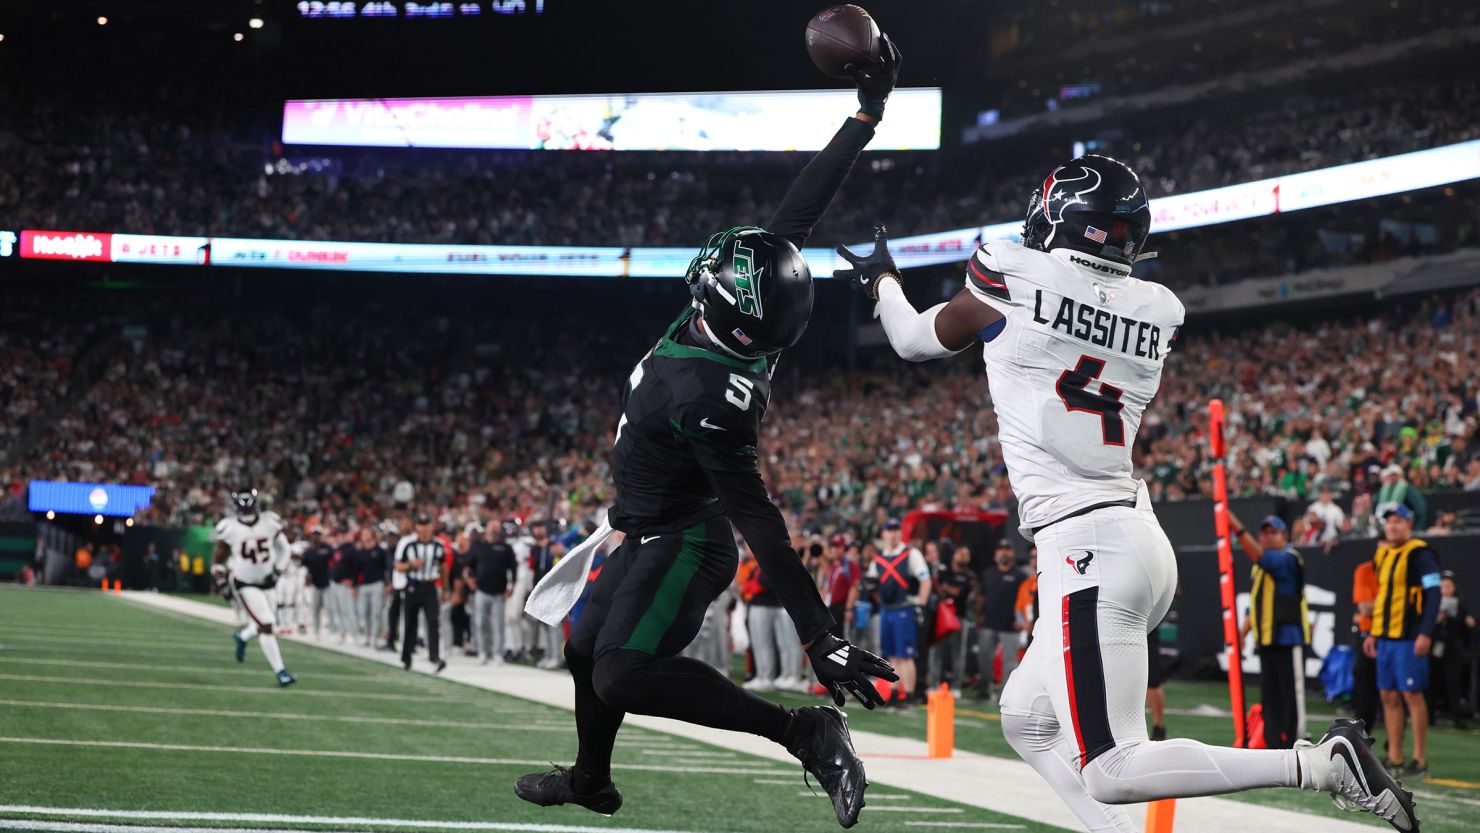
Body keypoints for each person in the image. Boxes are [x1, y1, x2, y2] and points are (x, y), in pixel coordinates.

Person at [837, 154, 1416, 830]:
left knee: (1111, 767)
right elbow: (1090, 305)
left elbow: (912, 340)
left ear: (1057, 219)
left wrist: (882, 280)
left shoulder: (1013, 273)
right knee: (1025, 716)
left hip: (1085, 547)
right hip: (1133, 538)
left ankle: (1320, 764)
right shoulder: (1156, 308)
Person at [514, 48, 901, 829]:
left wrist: (818, 634)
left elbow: (759, 518)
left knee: (621, 674)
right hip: (645, 526)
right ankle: (591, 778)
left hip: (687, 538)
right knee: (584, 648)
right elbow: (796, 216)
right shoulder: (745, 325)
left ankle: (803, 730)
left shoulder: (707, 394)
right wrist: (864, 117)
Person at [1365, 504, 1442, 778]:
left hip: (1409, 636)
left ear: (1409, 525)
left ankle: (1419, 760)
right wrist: (1374, 632)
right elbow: (1383, 597)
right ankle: (1394, 757)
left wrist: (1426, 632)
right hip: (1386, 636)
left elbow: (1434, 594)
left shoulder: (1421, 554)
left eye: (1398, 521)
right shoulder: (1384, 554)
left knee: (1412, 695)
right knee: (1388, 695)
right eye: (1389, 522)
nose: (1393, 526)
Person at [1231, 514, 1311, 749]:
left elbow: (1261, 557)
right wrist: (1242, 634)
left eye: (1273, 533)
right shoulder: (1260, 566)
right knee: (1270, 698)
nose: (1267, 537)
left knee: (1291, 696)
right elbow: (1254, 604)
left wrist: (1236, 527)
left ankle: (1296, 741)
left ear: (1284, 536)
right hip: (1266, 640)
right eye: (1264, 533)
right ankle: (1274, 744)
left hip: (1288, 639)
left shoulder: (1289, 558)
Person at [210, 487, 296, 687]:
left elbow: (285, 549)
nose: (247, 510)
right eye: (243, 507)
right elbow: (217, 562)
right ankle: (281, 671)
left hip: (268, 582)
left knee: (262, 624)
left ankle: (242, 636)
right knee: (267, 624)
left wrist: (278, 570)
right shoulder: (229, 527)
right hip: (245, 584)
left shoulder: (269, 522)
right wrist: (222, 582)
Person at [867, 517, 931, 707]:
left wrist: (921, 604)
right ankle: (895, 692)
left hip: (904, 608)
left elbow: (925, 580)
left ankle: (909, 695)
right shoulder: (879, 558)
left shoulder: (911, 554)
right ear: (883, 534)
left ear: (900, 532)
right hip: (887, 610)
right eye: (889, 529)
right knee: (891, 655)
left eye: (896, 529)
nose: (893, 533)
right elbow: (870, 582)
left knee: (906, 655)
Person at [395, 513, 449, 673]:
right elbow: (398, 565)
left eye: (427, 525)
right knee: (410, 623)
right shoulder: (409, 545)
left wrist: (445, 589)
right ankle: (406, 657)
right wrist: (411, 565)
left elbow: (443, 568)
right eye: (421, 525)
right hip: (413, 587)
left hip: (430, 587)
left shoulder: (438, 546)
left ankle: (435, 657)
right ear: (416, 527)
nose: (424, 528)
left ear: (432, 526)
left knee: (433, 622)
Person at [974, 540, 1024, 703]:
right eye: (1001, 549)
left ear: (1013, 553)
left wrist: (1021, 621)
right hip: (988, 623)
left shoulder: (1020, 575)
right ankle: (984, 691)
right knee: (984, 659)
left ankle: (1006, 696)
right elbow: (981, 597)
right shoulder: (989, 573)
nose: (1004, 553)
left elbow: (1024, 601)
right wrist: (977, 618)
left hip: (1010, 626)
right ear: (996, 553)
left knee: (1009, 664)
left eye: (1007, 549)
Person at [467, 519, 520, 665]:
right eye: (492, 527)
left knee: (498, 625)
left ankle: (497, 653)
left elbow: (514, 568)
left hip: (499, 592)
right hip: (481, 590)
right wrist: (470, 580)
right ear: (487, 529)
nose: (495, 530)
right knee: (481, 623)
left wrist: (512, 587)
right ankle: (483, 652)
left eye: (497, 528)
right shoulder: (478, 546)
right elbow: (468, 566)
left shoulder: (506, 547)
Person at [1432, 571, 1475, 728]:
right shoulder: (1432, 604)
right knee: (1432, 683)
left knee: (1454, 683)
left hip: (1453, 650)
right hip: (1435, 649)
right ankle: (1430, 716)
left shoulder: (1460, 605)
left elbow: (1466, 627)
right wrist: (1438, 619)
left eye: (1449, 586)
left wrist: (1467, 620)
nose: (1446, 589)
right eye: (1443, 586)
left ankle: (1457, 718)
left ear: (1454, 587)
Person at [931, 544, 976, 690]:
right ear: (954, 555)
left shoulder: (969, 576)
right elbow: (936, 588)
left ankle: (956, 686)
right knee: (936, 650)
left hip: (959, 617)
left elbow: (958, 593)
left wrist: (944, 587)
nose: (963, 557)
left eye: (966, 555)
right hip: (941, 616)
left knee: (958, 652)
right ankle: (933, 684)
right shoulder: (944, 571)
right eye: (960, 553)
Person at [1351, 557, 1380, 731]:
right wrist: (1395, 600)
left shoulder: (1406, 568)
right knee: (1364, 688)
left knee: (1395, 695)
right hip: (1369, 634)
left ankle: (1394, 747)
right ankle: (1359, 738)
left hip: (1398, 638)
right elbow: (1365, 609)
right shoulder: (1366, 570)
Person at [355, 528, 390, 648]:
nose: (364, 536)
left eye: (366, 534)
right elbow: (356, 570)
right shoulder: (361, 552)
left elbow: (387, 568)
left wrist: (387, 583)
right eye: (363, 534)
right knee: (364, 612)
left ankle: (374, 637)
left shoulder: (380, 551)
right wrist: (354, 585)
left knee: (376, 612)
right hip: (364, 585)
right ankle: (367, 637)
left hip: (377, 584)